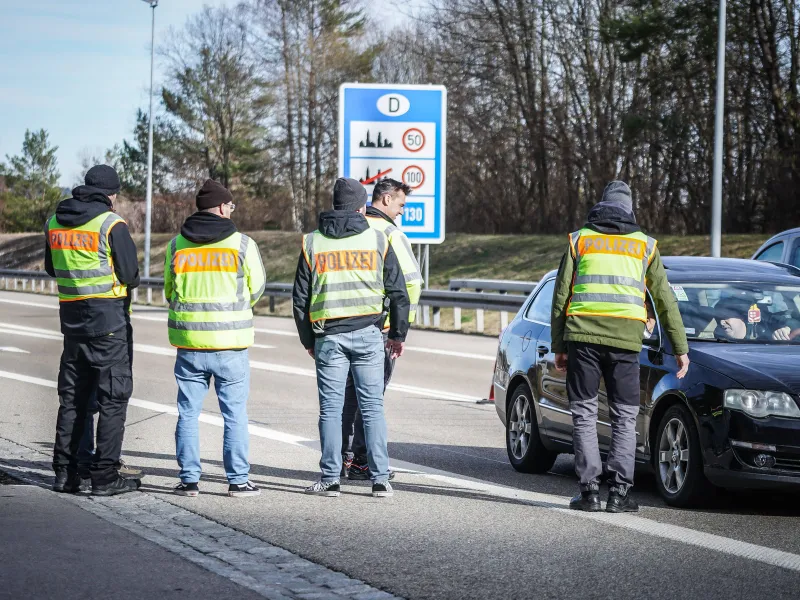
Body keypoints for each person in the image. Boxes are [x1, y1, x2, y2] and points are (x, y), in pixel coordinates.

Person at [551, 181, 690, 513]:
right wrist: (680, 347)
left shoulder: (579, 240)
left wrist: (559, 344)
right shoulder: (645, 246)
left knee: (584, 414)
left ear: (601, 206)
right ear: (631, 209)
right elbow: (665, 301)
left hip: (582, 338)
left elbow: (560, 297)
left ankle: (589, 493)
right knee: (624, 418)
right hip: (626, 343)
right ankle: (619, 495)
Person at [292, 177, 410, 498]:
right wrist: (397, 335)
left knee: (331, 410)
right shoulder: (378, 240)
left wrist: (308, 341)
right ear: (361, 207)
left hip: (329, 336)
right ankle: (380, 479)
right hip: (370, 335)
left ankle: (330, 478)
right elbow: (399, 293)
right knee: (372, 408)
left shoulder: (313, 242)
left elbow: (300, 299)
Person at [164, 179, 266, 498]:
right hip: (230, 343)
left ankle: (189, 480)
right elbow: (257, 287)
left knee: (188, 412)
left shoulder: (176, 245)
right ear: (222, 207)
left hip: (189, 343)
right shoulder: (242, 244)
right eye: (231, 205)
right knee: (234, 414)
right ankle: (237, 481)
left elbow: (169, 291)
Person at [45, 165, 141, 496]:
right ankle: (104, 476)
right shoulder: (111, 223)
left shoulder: (55, 221)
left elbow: (50, 267)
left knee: (73, 398)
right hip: (108, 322)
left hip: (71, 321)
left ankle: (66, 474)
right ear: (111, 194)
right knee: (113, 397)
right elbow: (130, 273)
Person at [342, 178, 422, 480]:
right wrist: (401, 329)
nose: (401, 212)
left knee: (345, 397)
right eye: (401, 205)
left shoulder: (350, 226)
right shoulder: (389, 233)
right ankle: (363, 463)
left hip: (343, 324)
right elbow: (412, 283)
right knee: (370, 397)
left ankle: (341, 459)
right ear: (386, 199)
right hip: (379, 327)